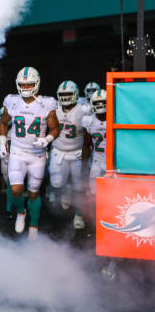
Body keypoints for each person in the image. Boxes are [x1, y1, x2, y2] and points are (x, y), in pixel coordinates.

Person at [0, 67, 60, 240]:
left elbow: (55, 128)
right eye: (22, 84)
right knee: (16, 189)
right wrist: (3, 144)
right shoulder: (12, 101)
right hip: (17, 152)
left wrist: (47, 140)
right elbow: (3, 123)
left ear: (37, 83)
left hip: (37, 155)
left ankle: (34, 224)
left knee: (34, 192)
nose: (25, 88)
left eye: (30, 84)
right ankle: (21, 212)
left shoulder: (46, 103)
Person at [48, 80, 90, 230]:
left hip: (77, 152)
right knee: (57, 182)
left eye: (68, 94)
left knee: (80, 187)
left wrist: (86, 158)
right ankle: (66, 188)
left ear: (76, 95)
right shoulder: (54, 109)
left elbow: (88, 137)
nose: (65, 98)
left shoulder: (83, 110)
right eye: (62, 95)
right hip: (59, 152)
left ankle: (78, 214)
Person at [81, 89, 107, 226]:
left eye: (104, 102)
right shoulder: (89, 121)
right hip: (97, 162)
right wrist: (84, 165)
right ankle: (97, 223)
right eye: (98, 103)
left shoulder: (116, 118)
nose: (101, 105)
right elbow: (86, 145)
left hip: (113, 164)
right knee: (93, 194)